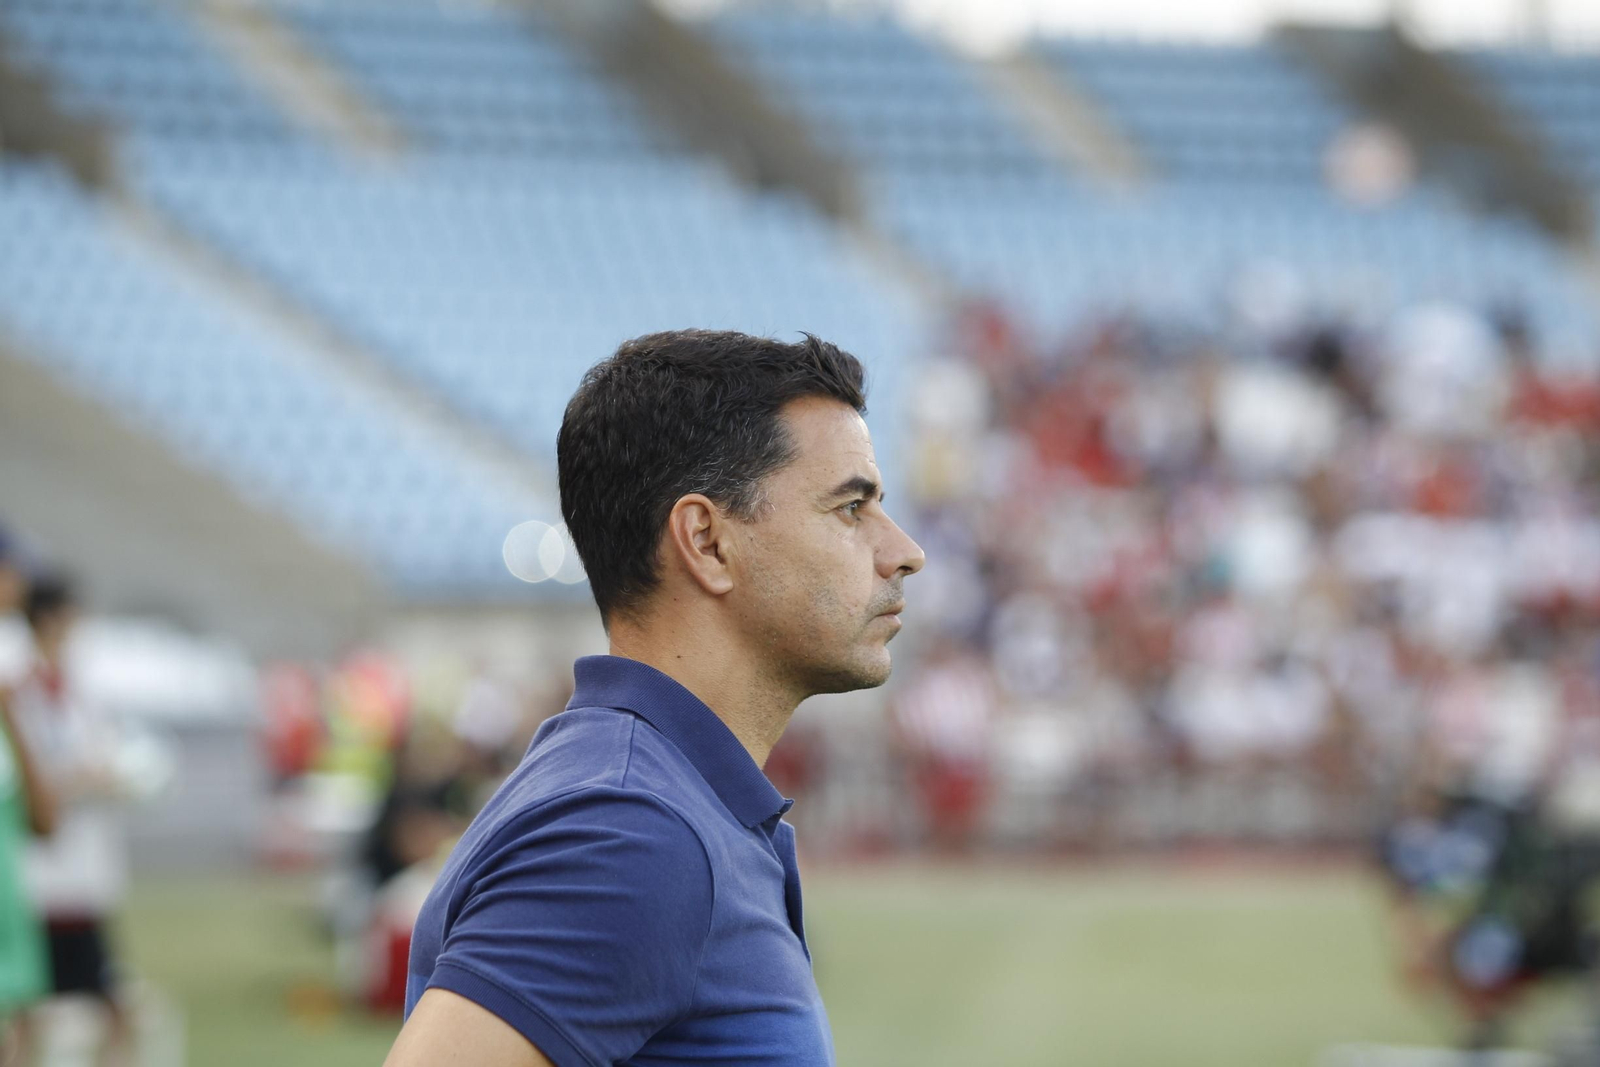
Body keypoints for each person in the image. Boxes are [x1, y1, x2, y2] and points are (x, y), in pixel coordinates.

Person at [386, 330, 924, 1067]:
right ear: (705, 540)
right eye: (851, 508)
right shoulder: (631, 829)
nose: (904, 551)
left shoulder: (657, 798)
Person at [9, 575, 135, 1067]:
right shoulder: (18, 687)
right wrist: (75, 779)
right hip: (37, 875)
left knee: (104, 1003)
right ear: (50, 619)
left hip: (78, 874)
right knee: (27, 1009)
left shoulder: (80, 687)